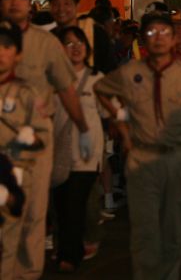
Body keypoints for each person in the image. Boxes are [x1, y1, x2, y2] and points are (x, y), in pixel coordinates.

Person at [94, 11, 181, 280]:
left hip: (178, 157)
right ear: (143, 40)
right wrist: (122, 125)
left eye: (164, 32)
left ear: (173, 39)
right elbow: (101, 89)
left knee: (172, 231)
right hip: (142, 157)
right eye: (151, 33)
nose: (158, 38)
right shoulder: (131, 71)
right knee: (145, 232)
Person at [0, 0, 90, 280]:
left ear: (30, 4)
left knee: (35, 213)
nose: (14, 2)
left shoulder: (46, 43)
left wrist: (83, 127)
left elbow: (66, 89)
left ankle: (27, 274)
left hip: (36, 142)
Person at [53, 26, 105, 272]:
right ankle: (64, 249)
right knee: (61, 205)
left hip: (87, 155)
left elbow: (109, 111)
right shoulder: (51, 79)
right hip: (58, 154)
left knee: (74, 204)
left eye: (79, 42)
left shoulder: (98, 79)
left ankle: (69, 256)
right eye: (69, 43)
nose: (75, 47)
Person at [0, 21, 48, 278]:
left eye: (7, 47)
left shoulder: (27, 93)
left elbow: (43, 136)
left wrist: (25, 147)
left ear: (17, 54)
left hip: (13, 176)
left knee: (9, 244)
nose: (0, 53)